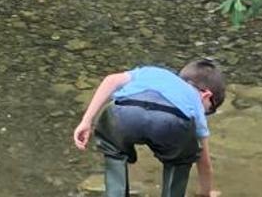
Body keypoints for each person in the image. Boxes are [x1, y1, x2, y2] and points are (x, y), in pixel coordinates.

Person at [73, 59, 224, 197]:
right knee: (182, 158)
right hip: (171, 121)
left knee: (113, 149)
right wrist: (206, 193)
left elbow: (111, 80)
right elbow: (204, 163)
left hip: (124, 110)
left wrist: (86, 121)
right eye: (210, 110)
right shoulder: (196, 103)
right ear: (206, 95)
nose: (206, 113)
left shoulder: (153, 72)